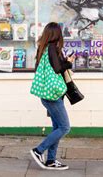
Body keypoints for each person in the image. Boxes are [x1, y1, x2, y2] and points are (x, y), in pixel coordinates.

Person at [30, 22, 75, 171]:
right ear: (57, 34)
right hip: (53, 96)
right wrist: (68, 63)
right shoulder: (51, 48)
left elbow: (52, 66)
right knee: (65, 127)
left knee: (57, 128)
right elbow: (57, 68)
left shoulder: (43, 48)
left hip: (49, 94)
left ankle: (50, 160)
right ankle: (38, 150)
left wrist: (64, 60)